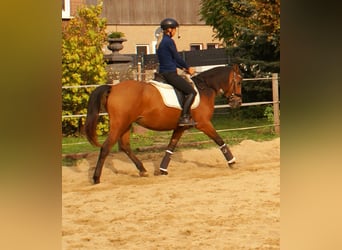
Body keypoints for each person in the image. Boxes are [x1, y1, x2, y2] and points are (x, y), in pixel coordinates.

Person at [156, 18, 197, 127]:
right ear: (169, 29)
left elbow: (171, 60)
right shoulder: (169, 41)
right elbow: (177, 58)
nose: (175, 31)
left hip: (164, 72)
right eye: (174, 29)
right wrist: (188, 67)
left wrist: (183, 69)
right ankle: (184, 117)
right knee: (192, 92)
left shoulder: (161, 42)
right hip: (170, 73)